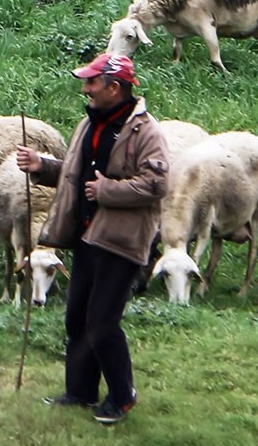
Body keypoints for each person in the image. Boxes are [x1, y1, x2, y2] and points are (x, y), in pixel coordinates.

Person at [16, 51, 169, 425]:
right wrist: (43, 167)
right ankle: (81, 391)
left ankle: (122, 395)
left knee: (102, 321)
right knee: (77, 319)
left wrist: (107, 192)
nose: (85, 88)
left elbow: (157, 184)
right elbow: (75, 173)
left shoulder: (145, 132)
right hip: (86, 237)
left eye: (91, 82)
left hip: (122, 241)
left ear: (114, 88)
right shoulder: (90, 124)